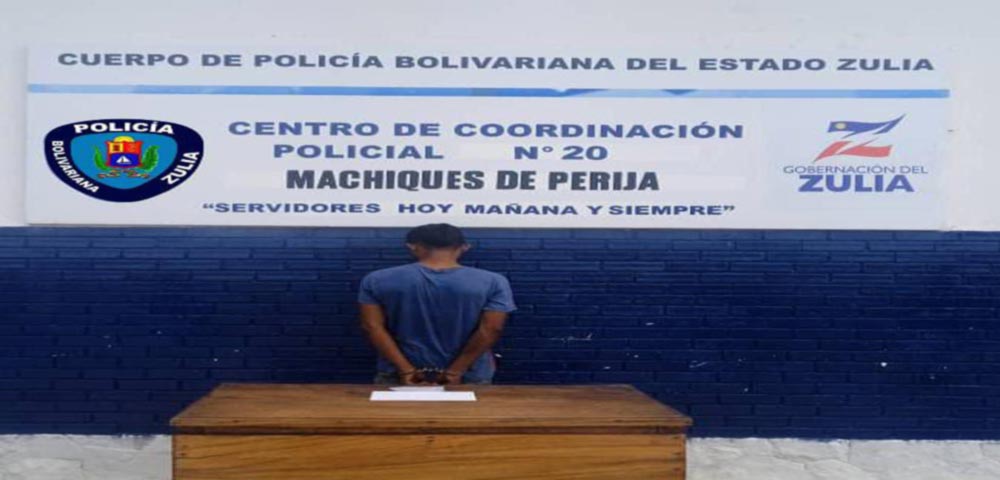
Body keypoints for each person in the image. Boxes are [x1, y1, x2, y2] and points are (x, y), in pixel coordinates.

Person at [358, 224, 516, 385]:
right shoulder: (494, 282)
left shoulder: (376, 280)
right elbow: (492, 328)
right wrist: (455, 371)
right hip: (469, 373)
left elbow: (372, 326)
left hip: (397, 373)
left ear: (413, 247)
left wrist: (406, 370)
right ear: (464, 247)